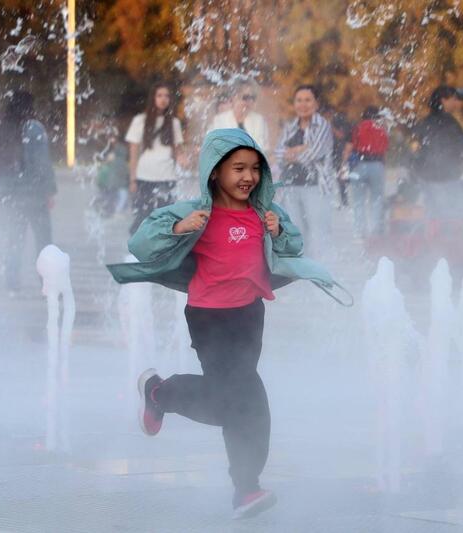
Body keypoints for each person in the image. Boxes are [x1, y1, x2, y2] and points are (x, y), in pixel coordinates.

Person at [106, 128, 344, 520]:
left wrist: (278, 231)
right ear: (215, 172)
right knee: (241, 401)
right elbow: (142, 242)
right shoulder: (197, 213)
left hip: (249, 315)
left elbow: (293, 246)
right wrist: (180, 228)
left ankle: (165, 399)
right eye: (238, 168)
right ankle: (241, 482)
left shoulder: (264, 213)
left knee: (239, 399)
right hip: (208, 317)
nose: (248, 176)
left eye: (254, 168)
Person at [0, 91, 57, 293]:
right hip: (35, 194)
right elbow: (42, 162)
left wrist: (1, 193)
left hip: (13, 194)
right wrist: (49, 190)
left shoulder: (4, 129)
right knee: (43, 240)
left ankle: (12, 282)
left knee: (14, 239)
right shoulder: (34, 127)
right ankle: (46, 282)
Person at [273, 84, 335, 257]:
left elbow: (313, 154)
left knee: (318, 232)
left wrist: (290, 153)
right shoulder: (291, 127)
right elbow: (278, 154)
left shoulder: (322, 126)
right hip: (290, 186)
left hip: (315, 187)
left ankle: (319, 268)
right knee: (295, 231)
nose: (303, 104)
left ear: (316, 103)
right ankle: (301, 267)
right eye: (299, 100)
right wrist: (301, 148)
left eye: (308, 100)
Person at [126, 81, 185, 234]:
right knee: (142, 218)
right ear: (153, 98)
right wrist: (132, 179)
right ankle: (138, 247)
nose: (163, 99)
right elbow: (133, 153)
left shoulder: (174, 123)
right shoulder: (140, 120)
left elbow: (177, 150)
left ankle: (162, 247)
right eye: (159, 95)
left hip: (167, 176)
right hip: (145, 176)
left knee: (166, 220)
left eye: (166, 96)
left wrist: (183, 158)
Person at [410, 85, 463, 219]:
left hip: (427, 176)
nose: (456, 103)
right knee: (454, 215)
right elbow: (462, 143)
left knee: (433, 214)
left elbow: (417, 146)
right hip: (447, 177)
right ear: (443, 100)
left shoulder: (425, 122)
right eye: (454, 99)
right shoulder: (449, 122)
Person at [343, 106, 389, 238]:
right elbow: (385, 150)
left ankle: (360, 230)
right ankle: (375, 229)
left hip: (359, 166)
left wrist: (344, 167)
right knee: (376, 199)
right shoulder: (382, 129)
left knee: (358, 201)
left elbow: (348, 149)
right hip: (377, 165)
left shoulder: (357, 128)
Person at [209, 79, 269, 150]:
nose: (250, 101)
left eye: (252, 98)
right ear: (234, 97)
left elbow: (263, 148)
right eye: (245, 97)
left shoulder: (259, 120)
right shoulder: (219, 120)